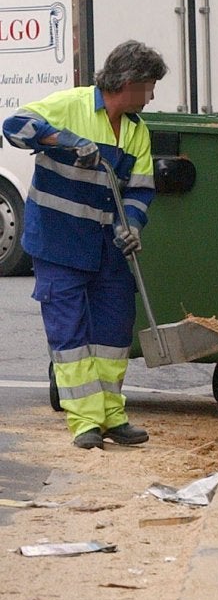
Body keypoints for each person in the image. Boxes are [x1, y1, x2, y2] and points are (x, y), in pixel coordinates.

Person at [3, 40, 168, 449]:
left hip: (108, 249)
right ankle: (85, 423)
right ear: (127, 83)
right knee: (70, 334)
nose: (151, 96)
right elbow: (14, 127)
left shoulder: (135, 131)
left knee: (114, 332)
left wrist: (132, 224)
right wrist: (65, 141)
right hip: (59, 245)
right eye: (148, 87)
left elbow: (141, 189)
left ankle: (113, 416)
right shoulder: (71, 105)